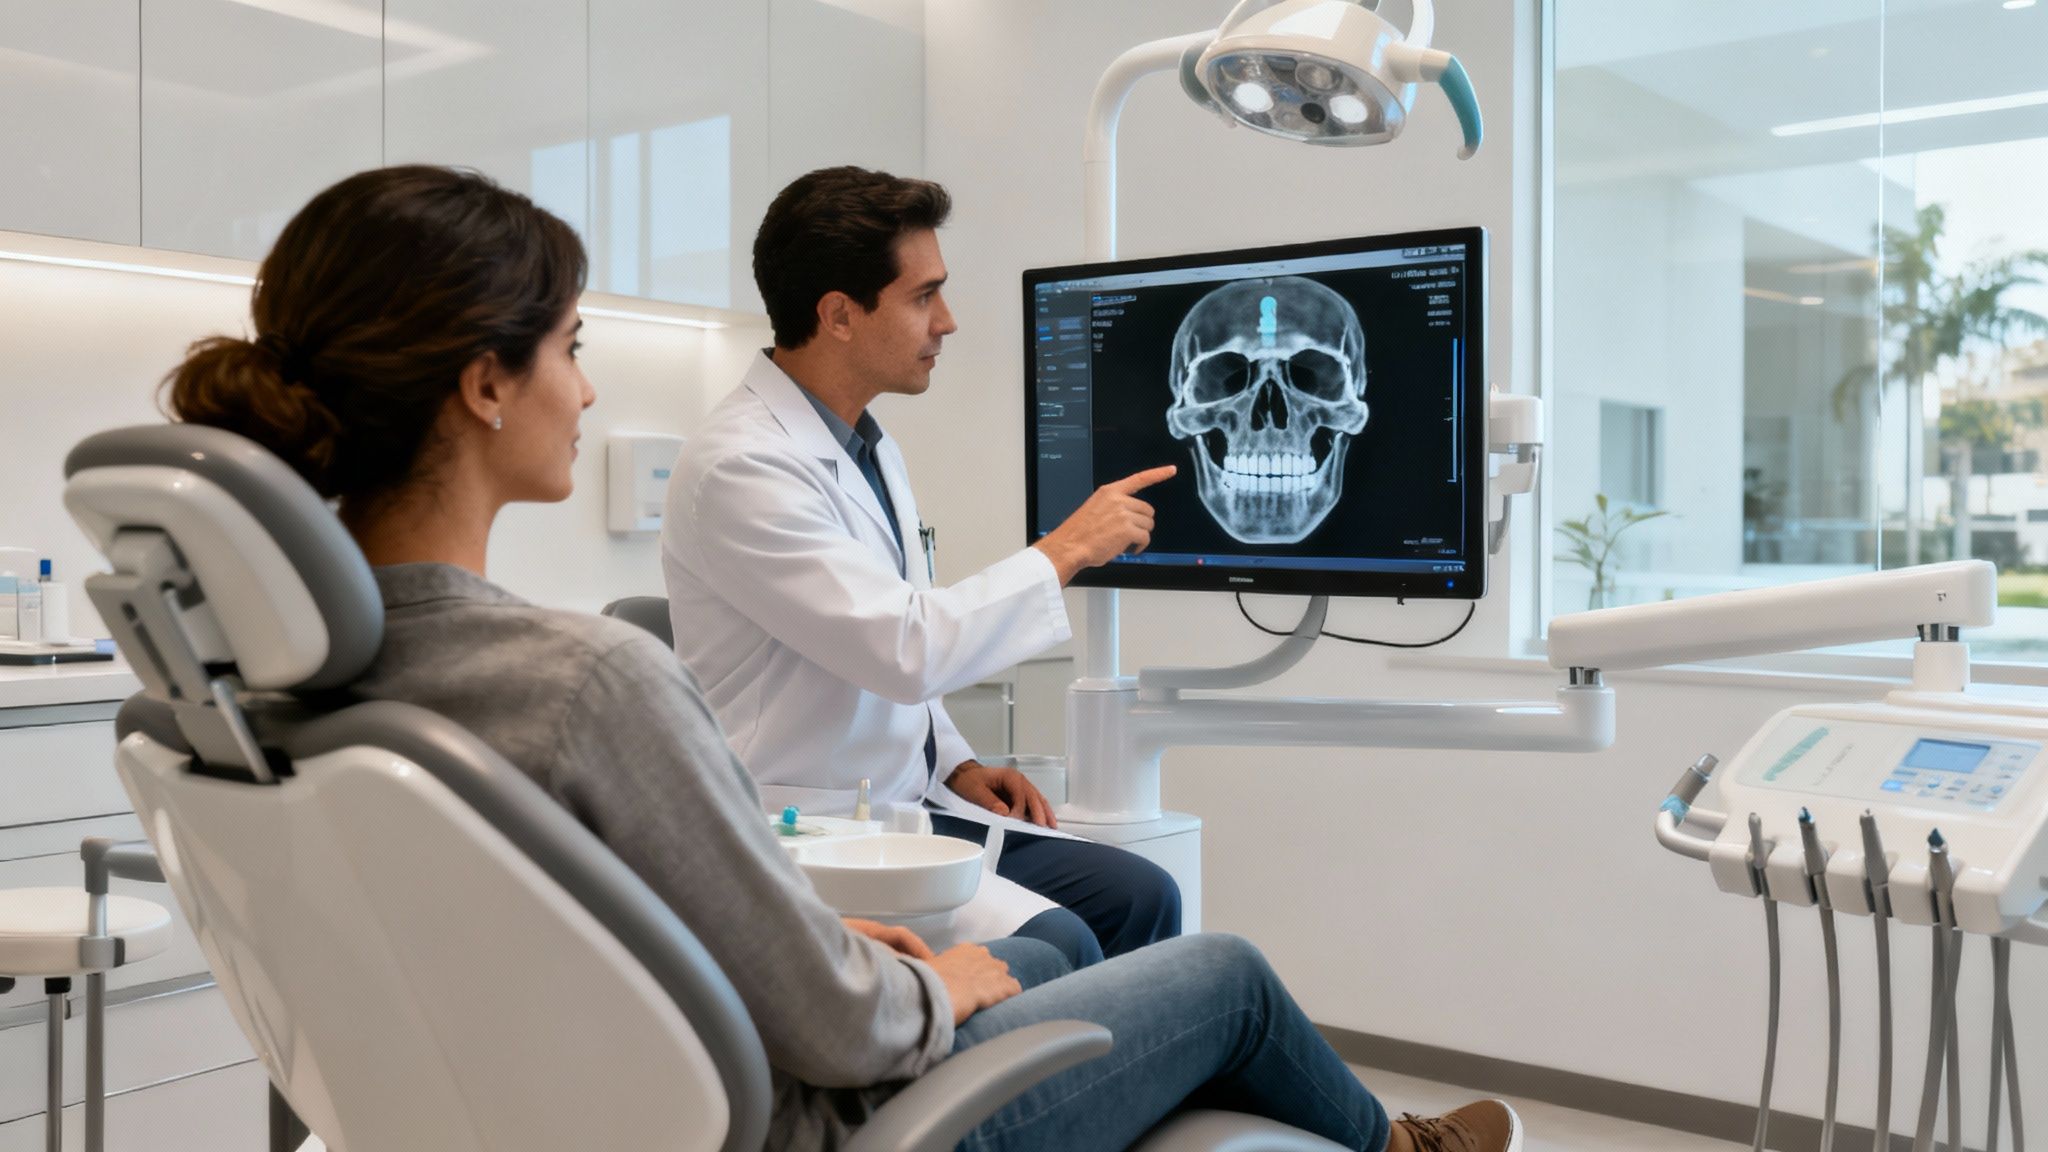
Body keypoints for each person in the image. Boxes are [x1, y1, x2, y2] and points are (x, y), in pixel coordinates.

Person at [162, 164, 1522, 1152]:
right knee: (1209, 968)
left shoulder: (284, 700)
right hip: (797, 1114)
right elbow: (839, 1012)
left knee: (1072, 945)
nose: (588, 387)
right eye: (573, 348)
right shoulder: (583, 680)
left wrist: (927, 801)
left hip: (637, 1071)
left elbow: (578, 930)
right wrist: (912, 977)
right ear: (483, 383)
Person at [662, 166, 1179, 960]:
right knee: (1064, 942)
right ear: (838, 314)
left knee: (1144, 892)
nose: (948, 321)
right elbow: (905, 646)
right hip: (811, 827)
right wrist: (1067, 548)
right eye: (923, 296)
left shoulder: (864, 443)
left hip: (907, 800)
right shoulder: (743, 467)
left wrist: (959, 758)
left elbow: (884, 629)